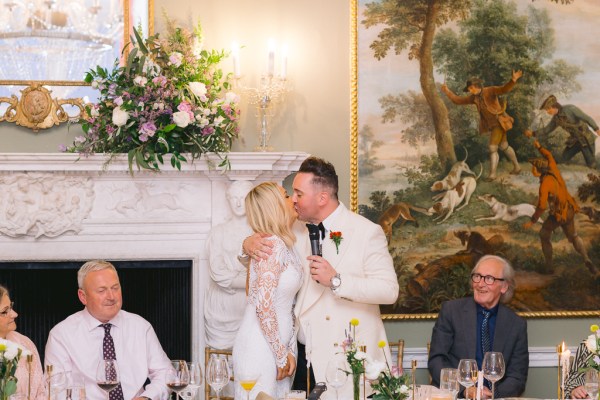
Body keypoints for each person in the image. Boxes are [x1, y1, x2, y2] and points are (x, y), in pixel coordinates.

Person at [243, 156, 399, 398]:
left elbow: (389, 290)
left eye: (298, 193)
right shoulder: (292, 228)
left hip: (347, 362)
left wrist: (337, 280)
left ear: (322, 198)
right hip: (301, 358)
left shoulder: (367, 232)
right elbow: (267, 257)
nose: (293, 200)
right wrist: (247, 245)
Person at [45, 260, 172, 400]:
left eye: (115, 288)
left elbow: (166, 373)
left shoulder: (141, 327)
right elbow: (57, 391)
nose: (111, 297)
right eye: (102, 290)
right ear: (83, 296)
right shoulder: (61, 334)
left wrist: (147, 398)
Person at [232, 182, 302, 399]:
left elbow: (289, 307)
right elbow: (263, 306)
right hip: (259, 348)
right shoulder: (272, 246)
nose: (294, 200)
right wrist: (281, 355)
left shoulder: (286, 245)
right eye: (287, 195)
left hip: (277, 346)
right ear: (275, 206)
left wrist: (288, 349)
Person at [428, 255, 528, 399]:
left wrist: (492, 394)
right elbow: (437, 360)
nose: (480, 284)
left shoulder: (516, 324)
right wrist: (465, 390)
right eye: (477, 276)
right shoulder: (451, 311)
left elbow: (517, 377)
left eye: (489, 278)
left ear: (504, 286)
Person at [522, 131, 597, 275]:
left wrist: (532, 221)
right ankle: (587, 259)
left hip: (558, 215)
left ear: (538, 171)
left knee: (544, 233)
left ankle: (549, 267)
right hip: (569, 210)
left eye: (533, 168)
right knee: (574, 236)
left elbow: (542, 206)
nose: (532, 170)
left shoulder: (544, 185)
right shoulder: (554, 170)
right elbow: (549, 156)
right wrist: (539, 147)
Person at [441, 71, 523, 181]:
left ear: (476, 86)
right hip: (492, 126)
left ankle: (492, 175)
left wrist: (513, 80)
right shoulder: (474, 98)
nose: (469, 91)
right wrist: (447, 91)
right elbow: (458, 101)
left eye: (471, 88)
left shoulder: (491, 90)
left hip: (499, 123)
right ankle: (517, 167)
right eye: (469, 89)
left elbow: (504, 89)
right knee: (504, 146)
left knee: (492, 147)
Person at [204, 180, 254, 350]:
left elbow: (266, 272)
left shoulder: (259, 233)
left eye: (243, 197)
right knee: (221, 364)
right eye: (234, 198)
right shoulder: (218, 233)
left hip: (250, 306)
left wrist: (239, 278)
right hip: (222, 308)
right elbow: (217, 272)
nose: (238, 203)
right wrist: (250, 279)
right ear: (228, 200)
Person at [527, 95, 600, 169]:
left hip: (586, 139)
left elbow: (586, 118)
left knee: (591, 164)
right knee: (563, 159)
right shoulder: (556, 119)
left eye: (548, 109)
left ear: (554, 107)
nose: (547, 111)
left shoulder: (570, 109)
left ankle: (595, 179)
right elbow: (547, 129)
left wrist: (596, 128)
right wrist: (533, 133)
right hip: (574, 141)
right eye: (547, 109)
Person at [0, 285, 46, 400]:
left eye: (11, 307)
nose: (15, 314)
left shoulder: (25, 343)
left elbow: (41, 393)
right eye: (5, 311)